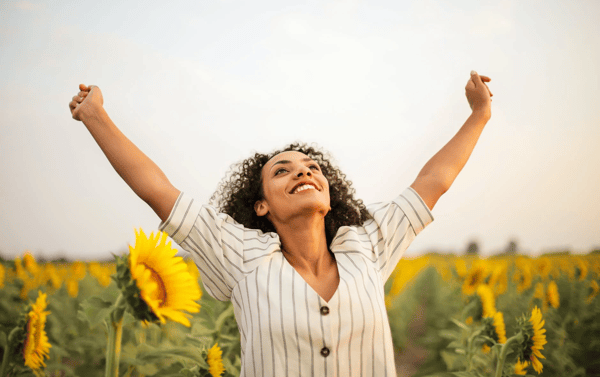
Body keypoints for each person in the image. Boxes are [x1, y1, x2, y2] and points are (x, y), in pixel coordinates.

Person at [68, 71, 493, 376]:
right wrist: (96, 116)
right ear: (260, 207)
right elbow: (157, 191)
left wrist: (479, 115)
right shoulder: (241, 258)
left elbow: (434, 182)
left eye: (312, 168)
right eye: (282, 171)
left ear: (329, 194)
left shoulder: (367, 244)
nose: (303, 173)